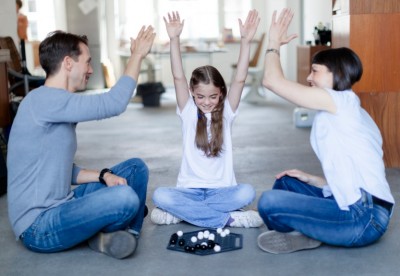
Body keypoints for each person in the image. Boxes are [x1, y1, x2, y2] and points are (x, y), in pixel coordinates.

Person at [7, 26, 156, 259]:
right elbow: (113, 103)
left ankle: (123, 235)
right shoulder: (44, 100)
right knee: (125, 197)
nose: (90, 69)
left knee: (135, 169)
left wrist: (103, 175)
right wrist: (137, 55)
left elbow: (61, 169)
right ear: (68, 63)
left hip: (64, 205)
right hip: (39, 225)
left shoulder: (55, 102)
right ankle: (110, 228)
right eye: (86, 62)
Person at [257, 9, 394, 254]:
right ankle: (311, 231)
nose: (309, 77)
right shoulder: (352, 109)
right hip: (361, 205)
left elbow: (271, 81)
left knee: (268, 202)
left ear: (336, 74)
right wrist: (315, 180)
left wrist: (274, 42)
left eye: (315, 71)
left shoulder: (339, 102)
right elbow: (356, 176)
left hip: (363, 219)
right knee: (287, 182)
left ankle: (308, 230)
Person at [151, 10, 263, 229]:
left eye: (213, 96)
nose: (207, 102)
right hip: (188, 191)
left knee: (247, 192)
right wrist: (174, 39)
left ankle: (184, 215)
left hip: (222, 191)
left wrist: (245, 41)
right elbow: (178, 76)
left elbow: (239, 79)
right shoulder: (188, 111)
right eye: (201, 96)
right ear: (192, 92)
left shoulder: (227, 112)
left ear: (221, 92)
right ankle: (228, 219)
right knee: (160, 195)